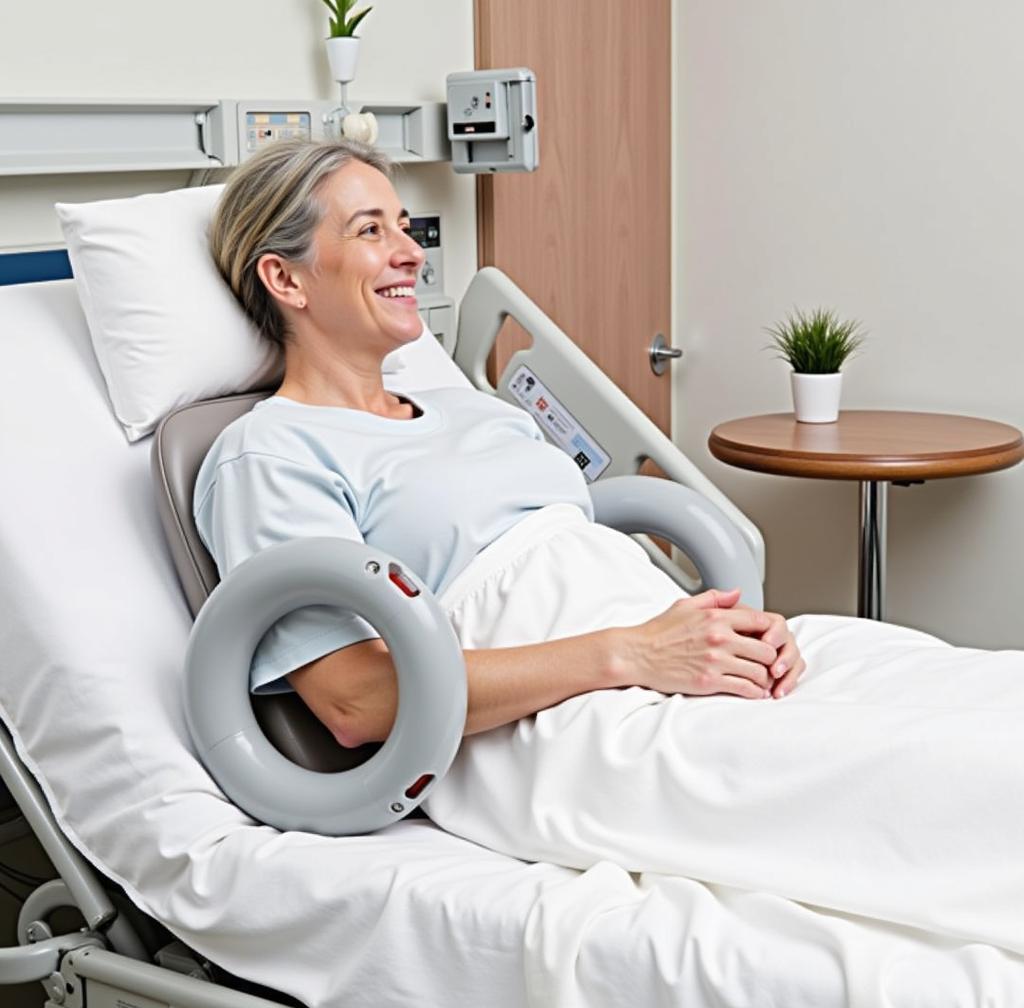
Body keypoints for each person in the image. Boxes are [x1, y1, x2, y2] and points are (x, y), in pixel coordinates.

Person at [197, 139, 1024, 956]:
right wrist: (636, 654)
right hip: (554, 722)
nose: (411, 251)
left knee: (989, 695)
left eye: (406, 226)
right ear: (285, 278)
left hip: (663, 652)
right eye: (371, 230)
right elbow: (356, 704)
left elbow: (584, 554)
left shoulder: (473, 411)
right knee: (963, 774)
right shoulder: (272, 453)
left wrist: (727, 633)